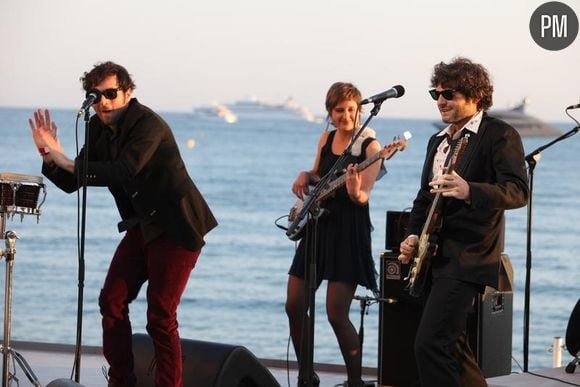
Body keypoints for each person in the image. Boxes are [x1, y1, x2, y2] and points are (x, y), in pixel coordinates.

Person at [28, 61, 217, 387]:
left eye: (110, 93)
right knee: (111, 301)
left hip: (176, 227)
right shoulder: (98, 128)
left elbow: (123, 170)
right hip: (142, 226)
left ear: (128, 93)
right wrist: (50, 157)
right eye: (94, 95)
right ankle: (121, 382)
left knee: (160, 314)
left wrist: (68, 161)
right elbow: (77, 179)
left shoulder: (148, 125)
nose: (102, 101)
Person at [398, 57, 529, 387]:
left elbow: (517, 191)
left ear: (476, 95)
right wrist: (413, 236)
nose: (441, 100)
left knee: (429, 344)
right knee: (453, 347)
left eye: (449, 93)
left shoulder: (499, 134)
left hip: (470, 255)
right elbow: (424, 199)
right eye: (436, 93)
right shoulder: (437, 141)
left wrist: (470, 190)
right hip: (434, 257)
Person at [285, 82, 382, 387]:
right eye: (339, 110)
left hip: (348, 232)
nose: (346, 115)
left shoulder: (371, 147)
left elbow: (363, 195)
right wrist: (305, 174)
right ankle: (306, 374)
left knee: (336, 313)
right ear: (330, 112)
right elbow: (318, 177)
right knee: (295, 304)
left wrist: (355, 190)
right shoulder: (326, 138)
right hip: (318, 225)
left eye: (351, 109)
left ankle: (356, 382)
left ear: (359, 109)